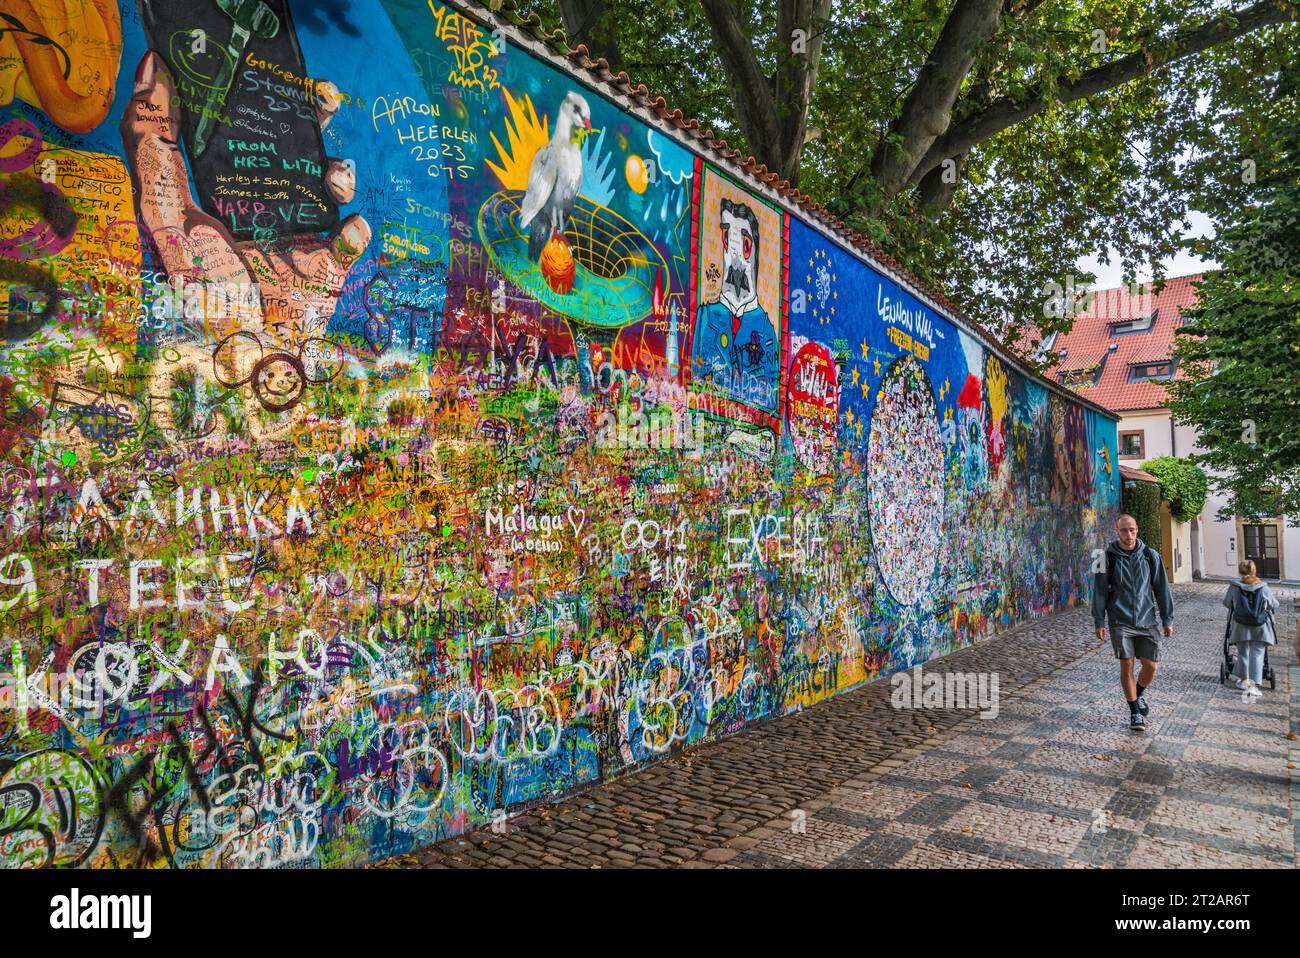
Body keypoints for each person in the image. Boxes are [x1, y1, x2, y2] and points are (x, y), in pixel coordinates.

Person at [1092, 514, 1175, 731]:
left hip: (1147, 620)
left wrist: (1167, 618)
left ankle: (1137, 694)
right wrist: (1099, 620)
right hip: (1120, 619)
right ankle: (1135, 713)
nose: (1129, 535)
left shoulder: (1151, 556)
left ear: (1137, 529)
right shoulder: (1103, 557)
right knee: (1126, 663)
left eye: (1132, 530)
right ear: (1116, 531)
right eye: (1124, 531)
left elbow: (1161, 588)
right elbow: (1099, 591)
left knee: (1151, 666)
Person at [1223, 559, 1279, 698]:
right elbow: (1274, 604)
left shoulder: (1234, 587)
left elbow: (1227, 603)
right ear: (1254, 571)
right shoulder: (1263, 587)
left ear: (1240, 571)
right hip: (1261, 627)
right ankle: (1253, 686)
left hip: (1241, 626)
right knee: (1258, 654)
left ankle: (1243, 680)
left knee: (1243, 653)